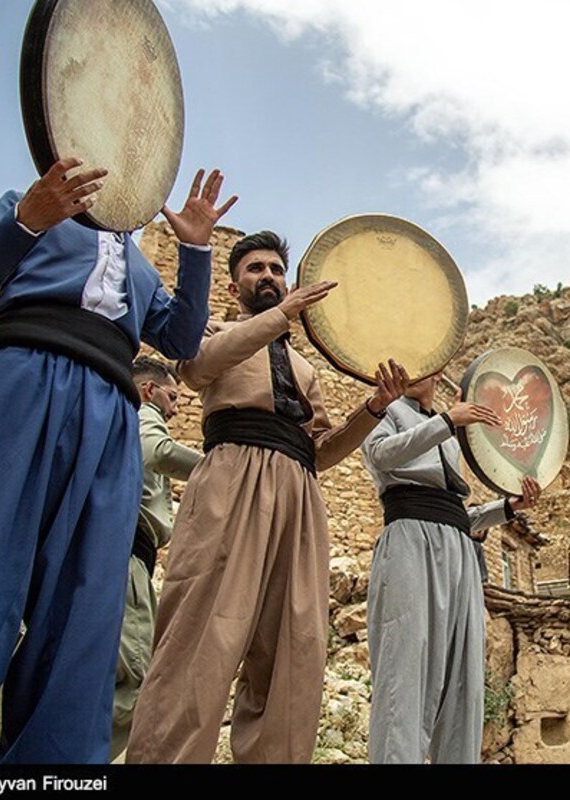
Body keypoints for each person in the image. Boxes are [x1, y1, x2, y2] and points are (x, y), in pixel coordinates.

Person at [0, 160, 234, 764]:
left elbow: (181, 341)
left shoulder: (139, 264)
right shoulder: (26, 206)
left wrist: (197, 249)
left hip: (109, 419)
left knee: (85, 604)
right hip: (19, 385)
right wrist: (29, 219)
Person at [126, 230, 407, 764]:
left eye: (277, 270)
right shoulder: (214, 330)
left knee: (292, 652)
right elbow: (197, 368)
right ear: (235, 287)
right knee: (200, 637)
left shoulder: (305, 370)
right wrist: (283, 316)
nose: (269, 277)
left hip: (300, 494)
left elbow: (321, 451)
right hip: (232, 475)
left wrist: (372, 409)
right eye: (255, 269)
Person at [360, 373, 541, 764]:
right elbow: (379, 455)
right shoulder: (385, 409)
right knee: (404, 674)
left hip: (459, 551)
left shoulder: (449, 432)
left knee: (464, 682)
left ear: (437, 373)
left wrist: (508, 508)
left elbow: (457, 515)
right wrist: (446, 421)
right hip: (409, 540)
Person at [110, 357, 203, 760]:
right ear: (149, 390)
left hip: (122, 556)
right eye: (172, 395)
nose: (176, 407)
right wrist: (219, 466)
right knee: (131, 683)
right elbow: (156, 451)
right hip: (128, 559)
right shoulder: (144, 414)